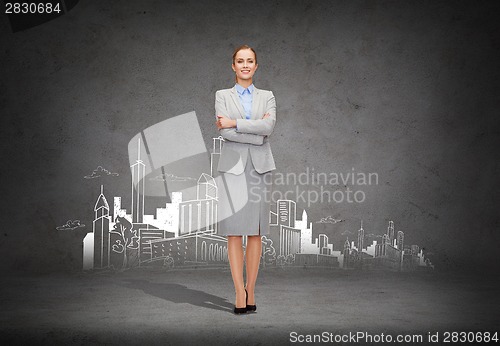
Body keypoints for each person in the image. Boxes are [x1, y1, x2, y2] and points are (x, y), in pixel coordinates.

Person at [215, 45, 277, 314]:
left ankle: (252, 289)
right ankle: (239, 291)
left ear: (256, 66)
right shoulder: (221, 95)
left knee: (255, 231)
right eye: (240, 61)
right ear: (233, 66)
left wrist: (236, 123)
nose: (244, 65)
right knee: (233, 231)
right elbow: (224, 133)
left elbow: (269, 127)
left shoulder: (268, 96)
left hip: (260, 168)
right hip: (232, 168)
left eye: (249, 61)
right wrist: (256, 131)